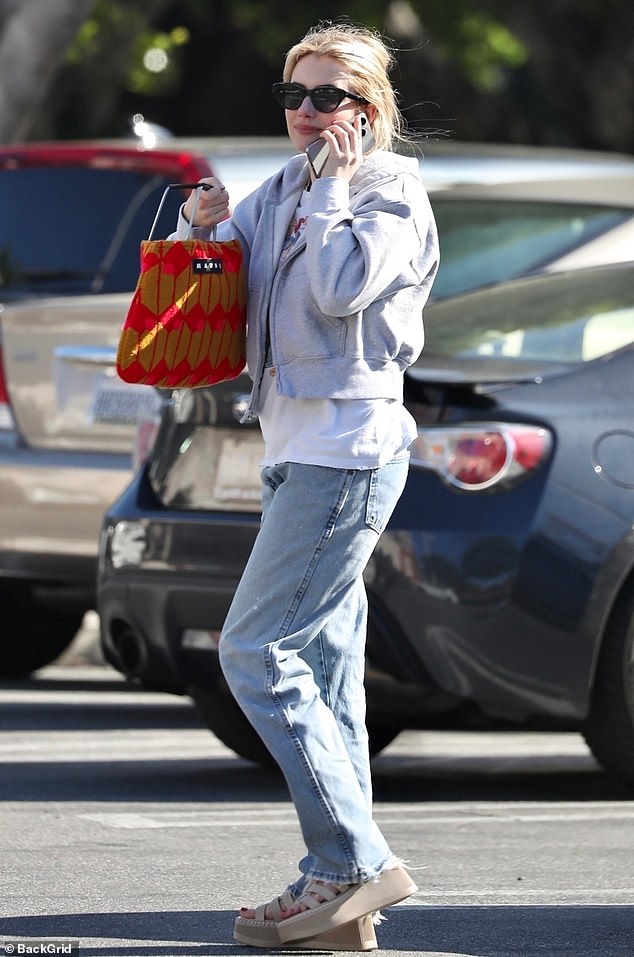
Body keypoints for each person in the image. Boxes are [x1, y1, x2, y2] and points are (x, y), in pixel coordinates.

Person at [174, 20, 439, 951]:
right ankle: (345, 902)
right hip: (295, 450)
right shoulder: (279, 187)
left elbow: (339, 290)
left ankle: (351, 860)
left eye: (327, 98)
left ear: (368, 112)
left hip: (351, 451)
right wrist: (198, 226)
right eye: (294, 97)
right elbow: (221, 279)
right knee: (325, 677)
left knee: (253, 649)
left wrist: (334, 188)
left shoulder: (391, 193)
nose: (306, 115)